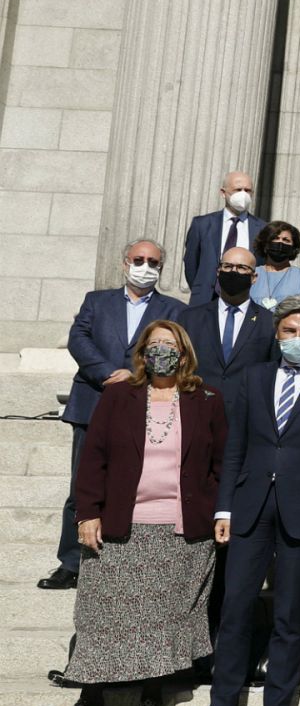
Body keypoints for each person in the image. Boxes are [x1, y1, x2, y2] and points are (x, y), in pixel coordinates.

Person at [179, 295, 300, 706]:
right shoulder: (252, 379)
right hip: (250, 505)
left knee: (288, 615)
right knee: (235, 608)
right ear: (276, 335)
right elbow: (233, 446)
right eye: (289, 331)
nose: (297, 339)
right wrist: (224, 508)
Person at [58, 321, 227, 706]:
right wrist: (87, 514)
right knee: (102, 614)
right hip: (119, 524)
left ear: (184, 353)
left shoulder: (206, 399)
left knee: (162, 617)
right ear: (142, 353)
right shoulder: (119, 395)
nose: (161, 353)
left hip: (178, 528)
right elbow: (93, 457)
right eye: (154, 346)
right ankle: (90, 696)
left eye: (169, 346)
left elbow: (221, 465)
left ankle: (152, 695)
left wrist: (220, 512)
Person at [44, 239, 185, 591]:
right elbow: (79, 338)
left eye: (153, 262)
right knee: (82, 485)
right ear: (125, 263)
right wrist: (109, 374)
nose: (145, 266)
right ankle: (71, 562)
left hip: (145, 408)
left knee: (131, 485)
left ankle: (121, 559)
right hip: (94, 401)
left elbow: (174, 350)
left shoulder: (174, 309)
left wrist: (135, 378)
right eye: (139, 259)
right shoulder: (97, 301)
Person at [176, 246, 278, 405]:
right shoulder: (189, 318)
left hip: (245, 413)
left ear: (254, 277)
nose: (233, 272)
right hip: (195, 408)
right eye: (227, 266)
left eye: (242, 268)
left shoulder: (269, 322)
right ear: (218, 272)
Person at [183, 171, 267, 306]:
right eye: (238, 190)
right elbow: (191, 264)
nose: (243, 194)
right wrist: (202, 288)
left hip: (246, 299)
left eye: (248, 190)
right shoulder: (202, 224)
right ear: (223, 192)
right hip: (206, 299)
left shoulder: (262, 228)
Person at [249, 221, 300, 310]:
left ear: (293, 247)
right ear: (265, 244)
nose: (280, 243)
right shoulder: (252, 274)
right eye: (275, 238)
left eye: (286, 240)